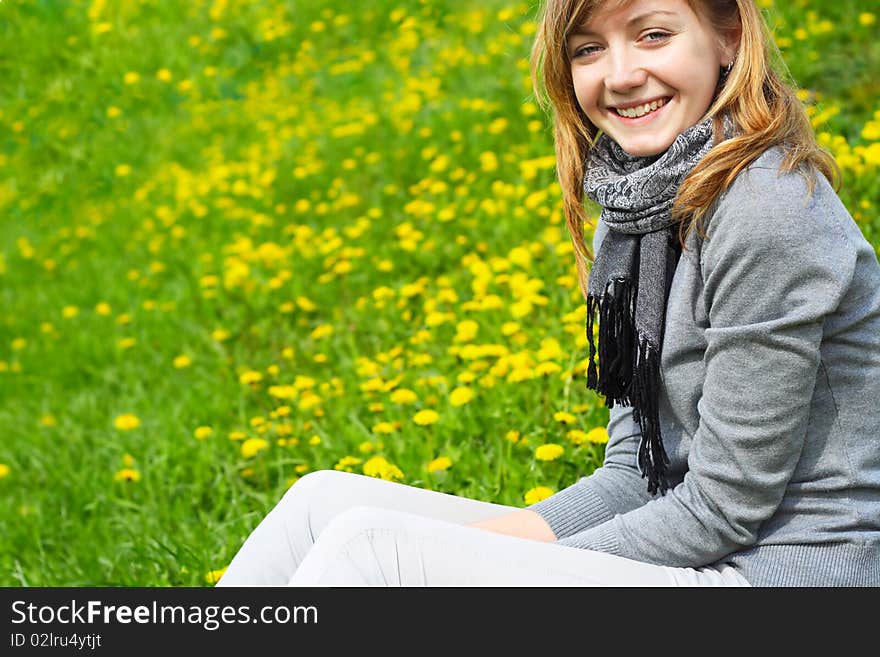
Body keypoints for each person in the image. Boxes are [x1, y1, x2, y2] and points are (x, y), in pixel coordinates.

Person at [216, 0, 880, 587]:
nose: (619, 74)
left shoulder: (766, 210)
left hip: (786, 575)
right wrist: (481, 553)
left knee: (372, 556)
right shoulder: (642, 204)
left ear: (729, 35)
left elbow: (721, 509)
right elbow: (635, 470)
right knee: (321, 506)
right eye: (588, 48)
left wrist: (480, 573)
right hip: (703, 547)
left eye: (652, 34)